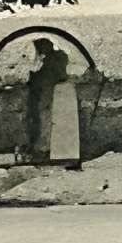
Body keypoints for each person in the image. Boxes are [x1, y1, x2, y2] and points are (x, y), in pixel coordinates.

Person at [22, 39, 80, 167]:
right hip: (44, 96)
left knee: (42, 119)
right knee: (41, 119)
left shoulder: (50, 62)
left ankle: (41, 151)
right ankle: (41, 151)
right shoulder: (57, 59)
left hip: (45, 96)